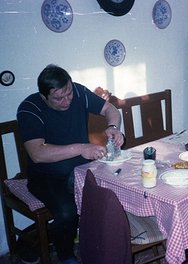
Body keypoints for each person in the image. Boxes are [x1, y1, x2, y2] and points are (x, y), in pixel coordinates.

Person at [16, 64, 124, 264]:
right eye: (58, 98)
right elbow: (37, 153)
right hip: (46, 175)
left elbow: (110, 109)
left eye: (68, 94)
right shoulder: (29, 108)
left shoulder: (79, 92)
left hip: (81, 169)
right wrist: (82, 148)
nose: (66, 101)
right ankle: (65, 256)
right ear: (43, 96)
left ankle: (103, 242)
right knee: (67, 212)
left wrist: (113, 127)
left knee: (116, 185)